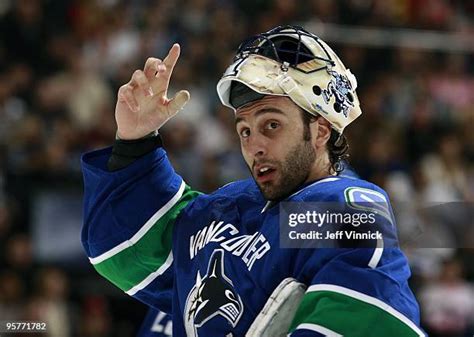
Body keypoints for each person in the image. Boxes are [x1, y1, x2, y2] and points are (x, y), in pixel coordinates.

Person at [81, 25, 424, 336]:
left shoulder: (339, 209)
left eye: (271, 125)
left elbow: (367, 320)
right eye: (244, 130)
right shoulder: (228, 206)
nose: (254, 146)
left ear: (320, 130)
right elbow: (126, 251)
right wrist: (134, 142)